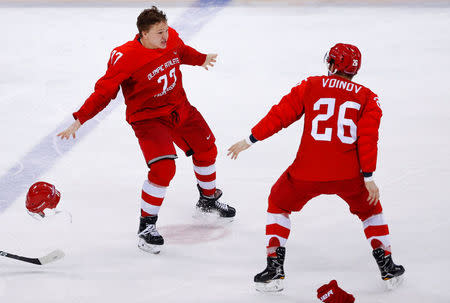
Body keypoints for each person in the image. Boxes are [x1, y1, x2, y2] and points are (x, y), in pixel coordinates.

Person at [58, 6, 236, 254]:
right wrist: (81, 118)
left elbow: (181, 52)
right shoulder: (126, 56)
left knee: (207, 148)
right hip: (149, 119)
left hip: (179, 108)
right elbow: (104, 92)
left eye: (165, 29)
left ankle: (207, 201)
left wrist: (200, 58)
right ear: (143, 34)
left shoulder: (170, 37)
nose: (166, 36)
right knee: (164, 168)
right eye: (159, 32)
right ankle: (146, 227)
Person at [227, 43, 404, 291]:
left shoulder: (312, 85)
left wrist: (250, 139)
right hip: (349, 175)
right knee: (371, 209)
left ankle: (274, 269)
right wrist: (368, 177)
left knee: (278, 203)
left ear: (333, 64)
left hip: (306, 172)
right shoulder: (367, 97)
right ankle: (387, 266)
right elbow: (368, 138)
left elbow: (281, 115)